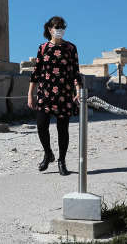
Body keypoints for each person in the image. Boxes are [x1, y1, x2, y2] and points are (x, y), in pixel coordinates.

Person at [27, 16, 81, 176]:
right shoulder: (43, 48)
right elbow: (35, 73)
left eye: (63, 27)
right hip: (45, 93)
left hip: (64, 93)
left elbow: (75, 71)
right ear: (50, 29)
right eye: (57, 27)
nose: (60, 30)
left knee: (62, 129)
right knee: (41, 125)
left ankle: (61, 161)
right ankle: (48, 153)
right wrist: (30, 94)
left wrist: (78, 91)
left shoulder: (71, 48)